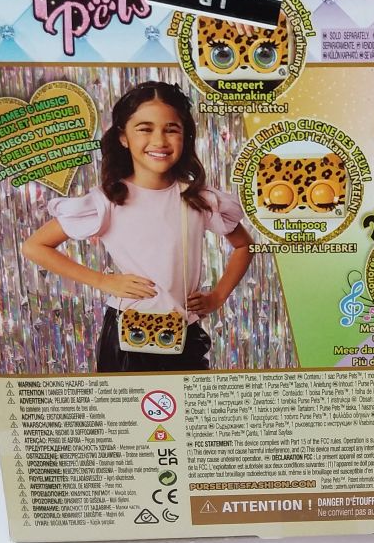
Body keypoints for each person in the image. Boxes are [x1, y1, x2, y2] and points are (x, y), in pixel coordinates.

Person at [23, 80, 252, 372]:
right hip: (126, 334)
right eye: (145, 129)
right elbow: (35, 246)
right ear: (123, 137)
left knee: (187, 398)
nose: (159, 140)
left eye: (171, 129)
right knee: (127, 401)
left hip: (184, 330)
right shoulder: (107, 201)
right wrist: (103, 281)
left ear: (185, 136)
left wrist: (218, 296)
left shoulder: (198, 198)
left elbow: (245, 246)